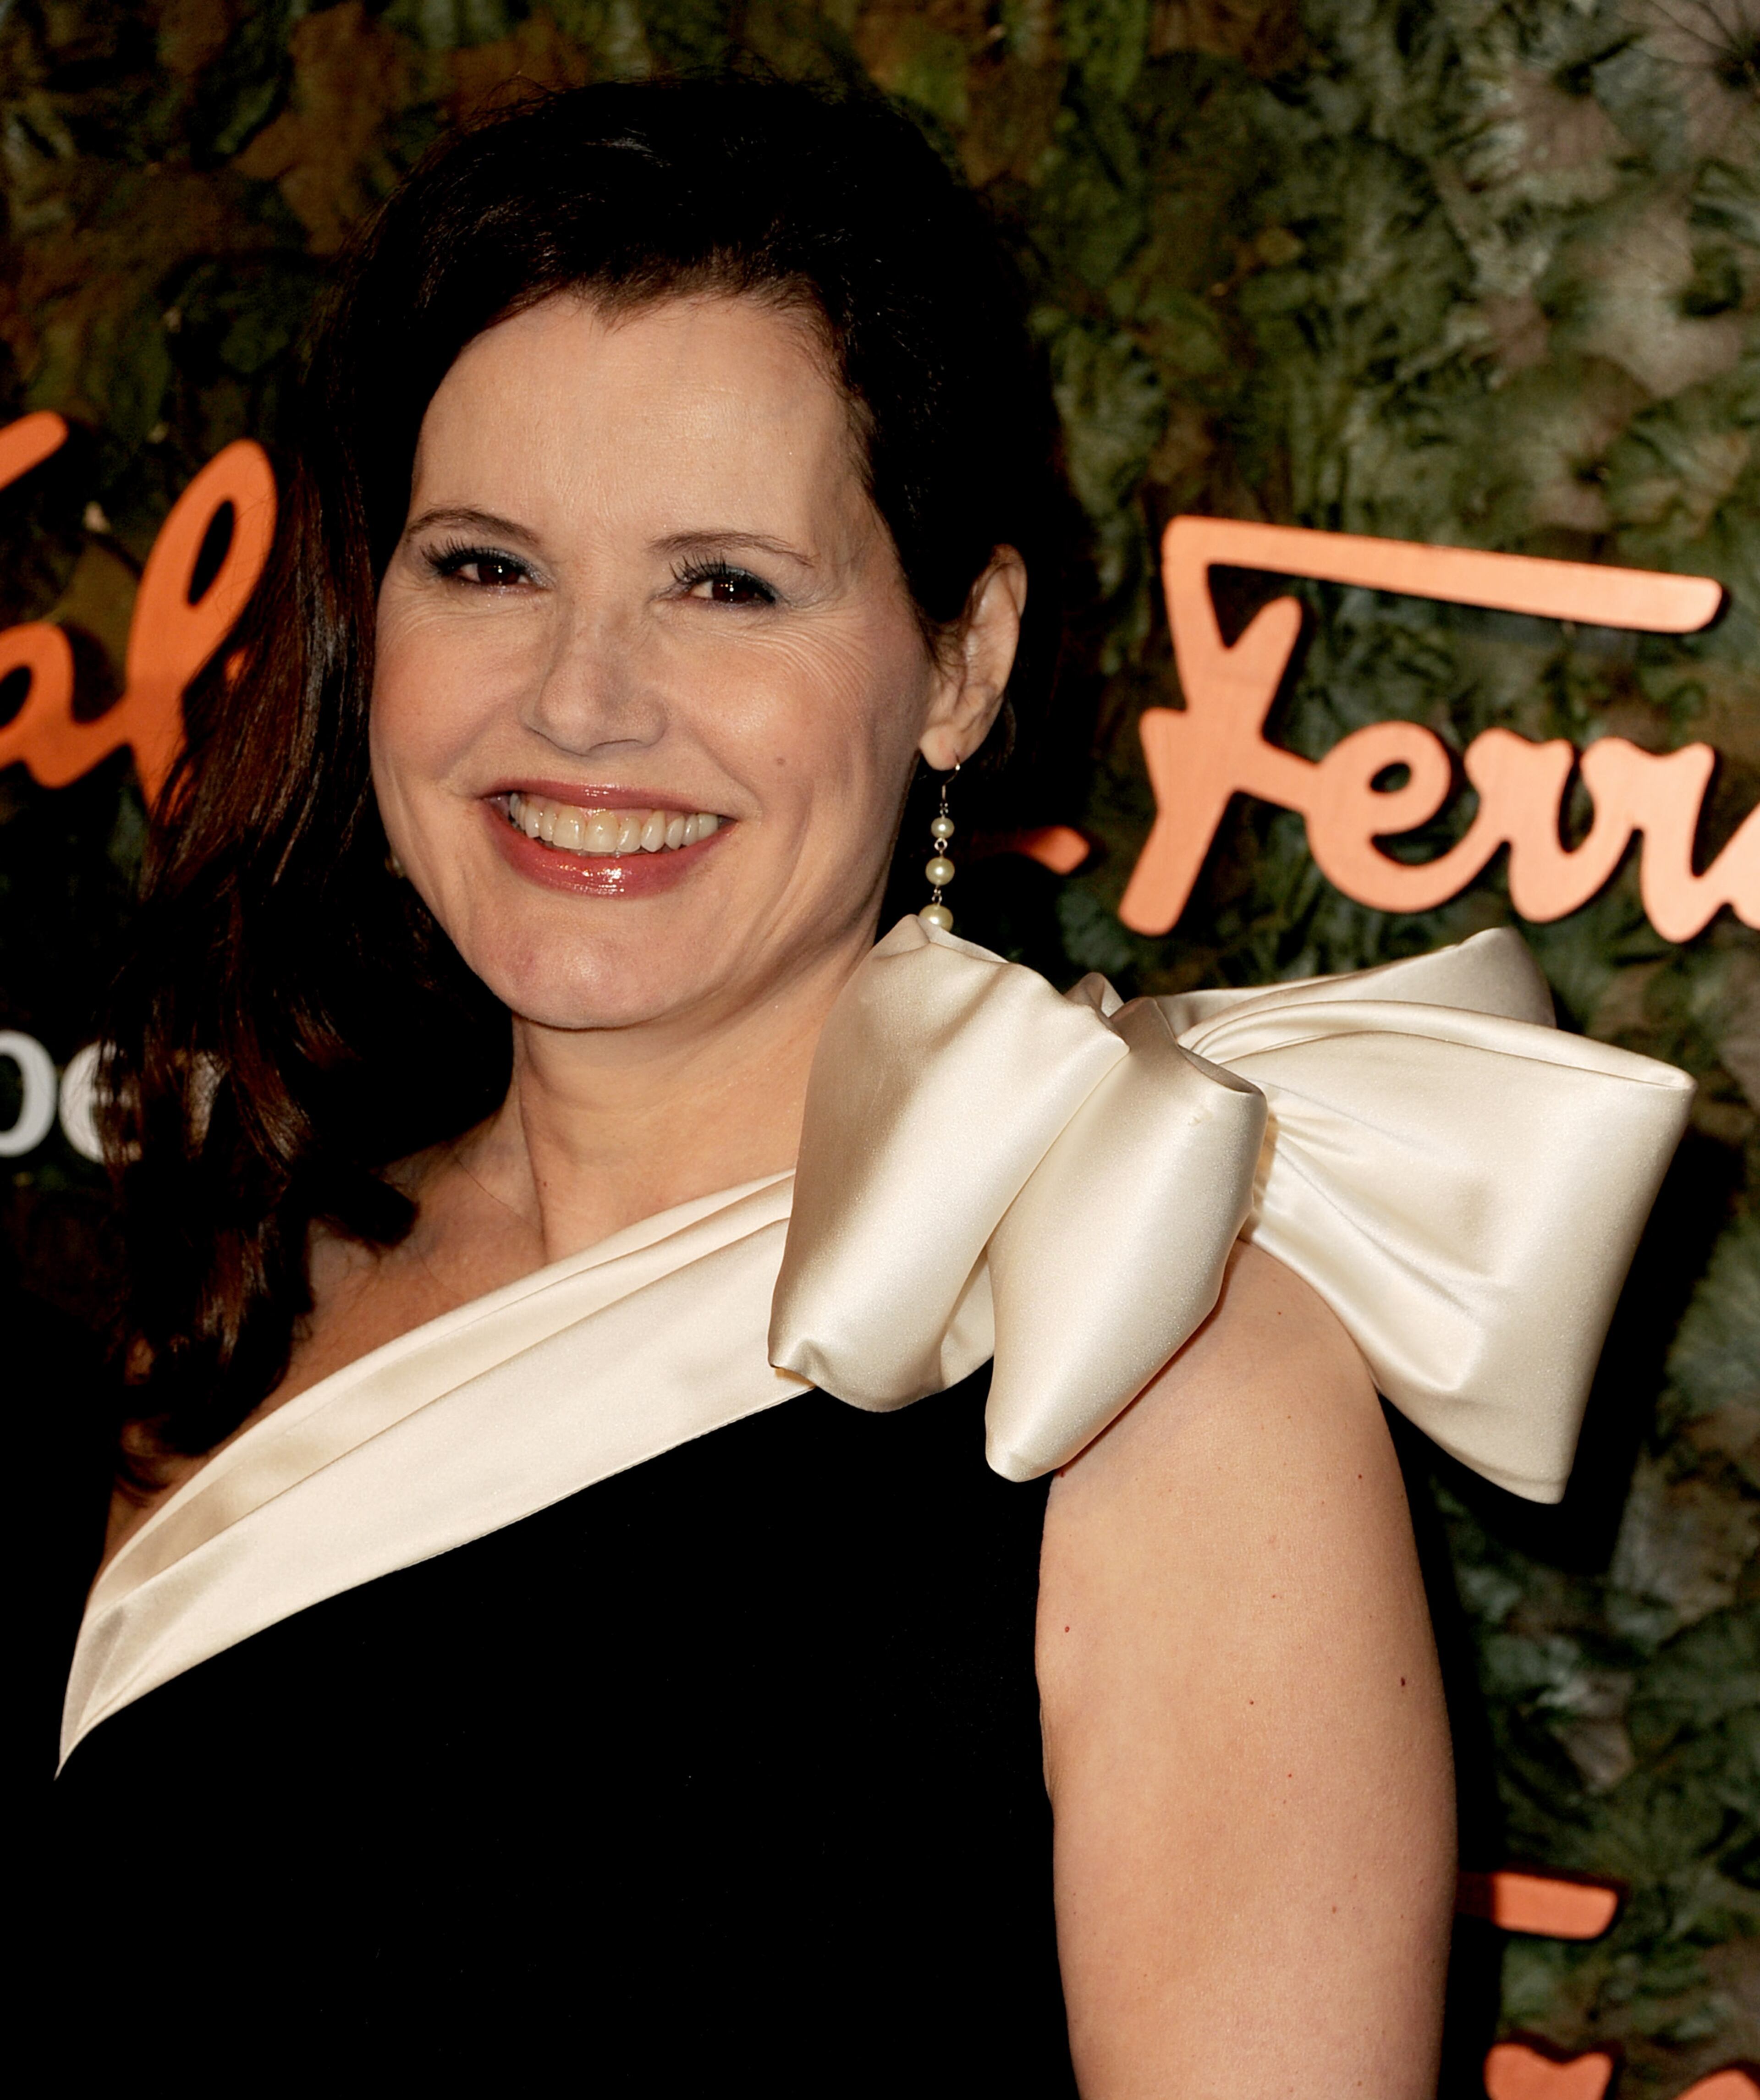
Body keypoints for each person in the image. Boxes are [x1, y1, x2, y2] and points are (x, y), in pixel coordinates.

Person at [46, 77, 1692, 2094]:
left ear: (967, 659)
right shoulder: (239, 1292)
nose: (581, 697)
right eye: (485, 565)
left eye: (725, 583)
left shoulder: (1153, 1363)